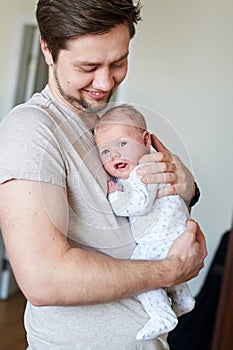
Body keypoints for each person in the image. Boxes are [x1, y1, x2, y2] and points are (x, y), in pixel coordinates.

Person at [0, 1, 207, 349]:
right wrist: (172, 270)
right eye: (88, 66)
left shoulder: (107, 128)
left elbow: (138, 213)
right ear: (48, 50)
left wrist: (188, 189)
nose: (105, 81)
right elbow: (43, 280)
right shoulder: (31, 129)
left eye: (119, 62)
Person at [94, 104, 196, 341]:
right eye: (105, 151)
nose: (115, 154)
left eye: (122, 144)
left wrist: (115, 197)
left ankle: (162, 315)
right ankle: (182, 299)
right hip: (169, 232)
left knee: (141, 268)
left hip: (164, 234)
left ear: (146, 140)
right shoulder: (141, 167)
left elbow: (139, 204)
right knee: (162, 262)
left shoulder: (144, 170)